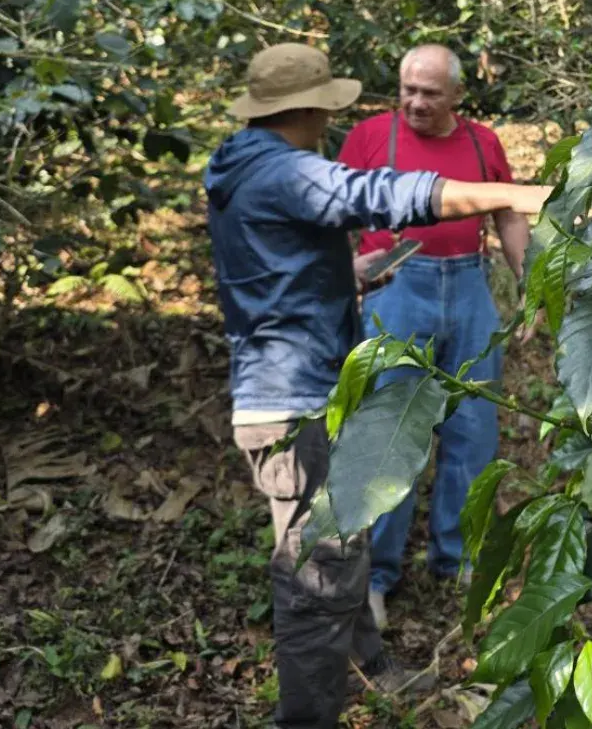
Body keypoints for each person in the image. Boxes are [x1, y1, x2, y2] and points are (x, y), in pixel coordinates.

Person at [204, 43, 549, 729]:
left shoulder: (245, 166)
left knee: (343, 535)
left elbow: (271, 270)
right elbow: (385, 192)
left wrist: (351, 276)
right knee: (315, 577)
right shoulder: (282, 170)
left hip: (306, 383)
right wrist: (508, 193)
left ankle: (371, 661)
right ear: (303, 111)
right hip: (291, 401)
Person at [336, 44, 526, 630]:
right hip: (395, 288)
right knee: (392, 435)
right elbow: (331, 208)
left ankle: (458, 561)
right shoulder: (369, 136)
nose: (416, 103)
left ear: (457, 96)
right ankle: (376, 576)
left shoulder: (482, 143)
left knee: (472, 432)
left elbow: (508, 210)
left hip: (468, 288)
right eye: (408, 91)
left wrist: (527, 280)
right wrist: (345, 281)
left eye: (430, 93)